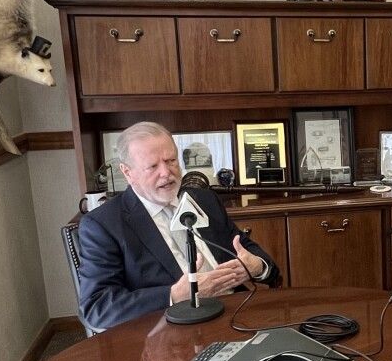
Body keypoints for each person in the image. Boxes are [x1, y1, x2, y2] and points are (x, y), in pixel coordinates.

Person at [79, 122, 279, 330]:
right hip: (169, 329)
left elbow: (248, 251)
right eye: (153, 166)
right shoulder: (103, 224)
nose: (166, 173)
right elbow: (96, 308)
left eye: (171, 160)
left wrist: (257, 266)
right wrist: (175, 295)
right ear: (128, 173)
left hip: (237, 313)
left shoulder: (206, 200)